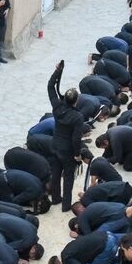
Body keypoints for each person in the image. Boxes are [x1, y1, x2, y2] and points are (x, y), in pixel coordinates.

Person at [48, 61, 86, 212]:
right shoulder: (77, 117)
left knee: (55, 173)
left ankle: (55, 198)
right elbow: (76, 138)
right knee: (68, 178)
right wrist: (77, 154)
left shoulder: (57, 106)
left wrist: (57, 71)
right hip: (68, 150)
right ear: (76, 101)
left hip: (55, 144)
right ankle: (65, 205)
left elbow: (50, 87)